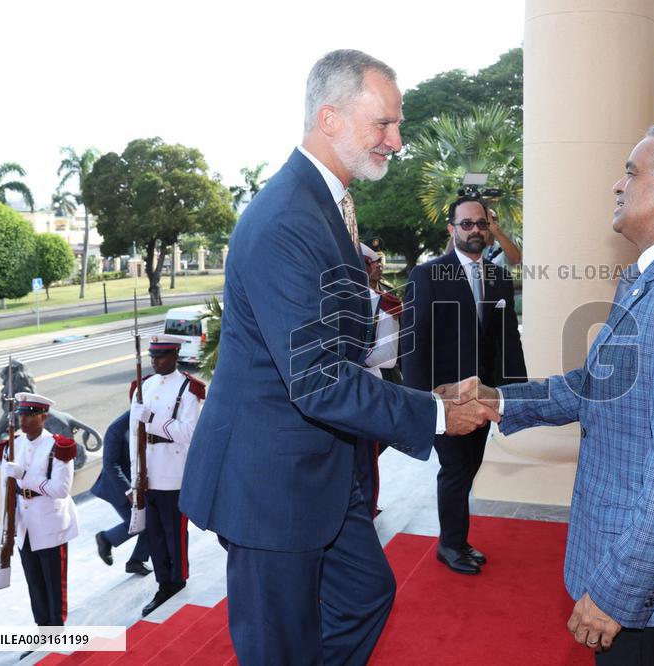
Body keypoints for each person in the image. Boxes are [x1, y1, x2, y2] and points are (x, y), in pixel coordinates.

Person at [178, 49, 496, 665]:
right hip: (269, 483)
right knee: (280, 648)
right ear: (329, 118)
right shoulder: (287, 219)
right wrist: (432, 413)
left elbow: (340, 346)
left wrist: (423, 393)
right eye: (384, 124)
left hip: (321, 469)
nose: (396, 140)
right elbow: (319, 379)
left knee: (365, 595)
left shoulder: (326, 204)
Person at [442, 121, 654, 664]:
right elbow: (596, 386)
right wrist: (500, 400)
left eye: (631, 172)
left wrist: (618, 593)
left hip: (652, 594)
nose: (617, 185)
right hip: (632, 560)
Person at [403, 195, 527, 575]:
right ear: (452, 230)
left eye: (481, 224)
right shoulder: (427, 276)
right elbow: (414, 341)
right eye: (467, 224)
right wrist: (422, 400)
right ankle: (450, 545)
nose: (475, 230)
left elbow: (508, 339)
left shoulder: (499, 277)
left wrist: (515, 394)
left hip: (485, 395)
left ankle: (457, 540)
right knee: (456, 469)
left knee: (470, 465)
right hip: (446, 397)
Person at [130, 334, 205, 616]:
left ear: (175, 356)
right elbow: (132, 438)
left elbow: (188, 433)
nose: (155, 361)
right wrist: (135, 476)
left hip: (173, 472)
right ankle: (164, 582)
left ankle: (179, 578)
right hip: (148, 472)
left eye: (161, 357)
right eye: (152, 357)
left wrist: (152, 419)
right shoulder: (144, 386)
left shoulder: (188, 389)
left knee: (174, 531)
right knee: (155, 533)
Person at [0, 392, 79, 627]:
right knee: (34, 582)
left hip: (50, 523)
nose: (23, 421)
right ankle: (42, 629)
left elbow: (61, 489)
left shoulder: (59, 447)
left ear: (43, 417)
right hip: (25, 526)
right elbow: (8, 489)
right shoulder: (12, 446)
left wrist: (25, 476)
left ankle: (56, 628)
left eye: (29, 415)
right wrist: (8, 526)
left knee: (54, 582)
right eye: (21, 415)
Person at [354, 242, 402, 516]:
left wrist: (350, 357)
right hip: (332, 390)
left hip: (365, 390)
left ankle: (365, 511)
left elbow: (388, 357)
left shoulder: (381, 303)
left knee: (364, 458)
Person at [91, 410, 151, 575]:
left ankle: (136, 560)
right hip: (118, 487)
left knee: (148, 522)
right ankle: (106, 538)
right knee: (140, 523)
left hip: (140, 485)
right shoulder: (117, 428)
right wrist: (129, 492)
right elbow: (110, 464)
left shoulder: (152, 419)